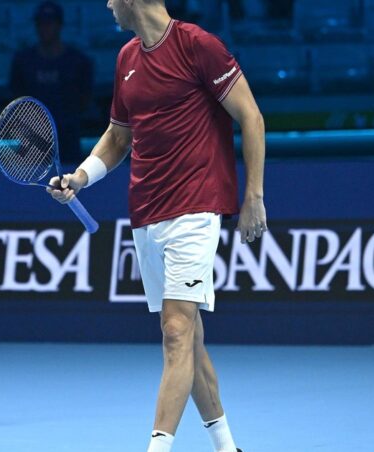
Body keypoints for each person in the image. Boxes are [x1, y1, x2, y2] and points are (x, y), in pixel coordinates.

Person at [48, 1, 266, 451]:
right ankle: (229, 448)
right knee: (189, 339)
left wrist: (253, 197)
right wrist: (79, 177)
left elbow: (251, 116)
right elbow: (118, 137)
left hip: (197, 206)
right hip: (147, 213)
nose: (107, 3)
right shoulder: (127, 58)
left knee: (176, 330)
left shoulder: (198, 46)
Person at [10, 1, 94, 163]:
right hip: (32, 140)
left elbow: (85, 100)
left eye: (49, 23)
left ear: (59, 25)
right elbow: (16, 100)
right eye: (41, 23)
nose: (45, 28)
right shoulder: (22, 61)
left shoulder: (79, 62)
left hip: (68, 138)